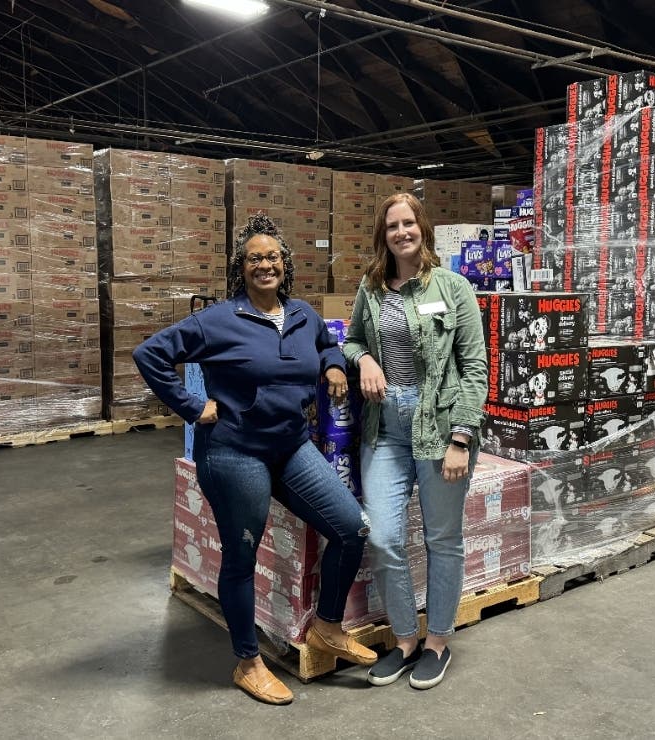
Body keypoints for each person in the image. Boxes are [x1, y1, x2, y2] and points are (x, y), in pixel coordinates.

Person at [133, 213, 376, 706]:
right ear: (240, 269)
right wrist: (193, 406)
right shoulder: (219, 319)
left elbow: (326, 344)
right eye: (253, 259)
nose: (264, 265)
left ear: (285, 265)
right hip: (234, 451)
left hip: (290, 446)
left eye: (272, 257)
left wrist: (332, 367)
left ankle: (327, 626)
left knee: (352, 529)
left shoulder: (304, 314)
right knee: (240, 558)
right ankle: (247, 662)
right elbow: (150, 354)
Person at [342, 193, 488, 690]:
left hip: (441, 425)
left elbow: (474, 369)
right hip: (384, 427)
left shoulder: (453, 287)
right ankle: (405, 639)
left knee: (443, 539)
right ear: (382, 235)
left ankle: (438, 642)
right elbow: (353, 338)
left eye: (408, 223)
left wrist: (462, 438)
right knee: (383, 536)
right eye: (392, 226)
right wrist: (362, 360)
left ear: (422, 228)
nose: (401, 232)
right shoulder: (372, 286)